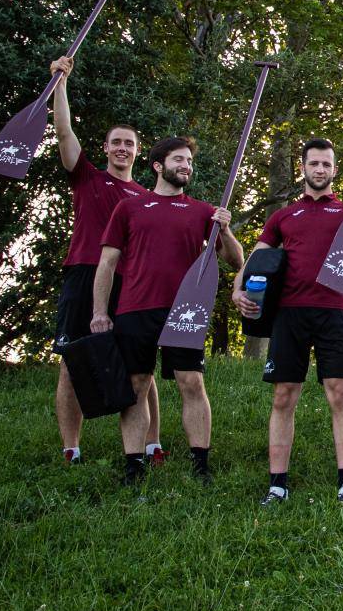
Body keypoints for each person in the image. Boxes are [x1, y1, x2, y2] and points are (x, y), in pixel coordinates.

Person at [234, 138, 343, 506]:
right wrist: (236, 290)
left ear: (334, 169)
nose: (320, 169)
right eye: (314, 164)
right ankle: (277, 484)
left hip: (333, 311)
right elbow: (256, 256)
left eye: (326, 164)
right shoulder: (284, 215)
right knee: (283, 396)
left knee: (340, 392)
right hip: (289, 313)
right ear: (304, 168)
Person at [91, 137, 243, 485]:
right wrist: (100, 312)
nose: (186, 166)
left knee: (191, 382)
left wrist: (225, 228)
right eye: (179, 160)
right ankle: (134, 466)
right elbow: (106, 263)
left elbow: (236, 262)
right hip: (136, 307)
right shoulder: (130, 208)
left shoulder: (203, 211)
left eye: (189, 160)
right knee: (137, 384)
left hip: (185, 310)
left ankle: (200, 466)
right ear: (158, 166)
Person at [47, 55, 159, 465]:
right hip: (84, 274)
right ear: (106, 148)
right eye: (117, 142)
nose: (122, 148)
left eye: (129, 143)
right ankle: (70, 449)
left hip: (131, 284)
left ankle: (151, 444)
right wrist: (60, 84)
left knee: (139, 365)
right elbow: (63, 133)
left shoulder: (147, 198)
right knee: (71, 361)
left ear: (138, 152)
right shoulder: (88, 177)